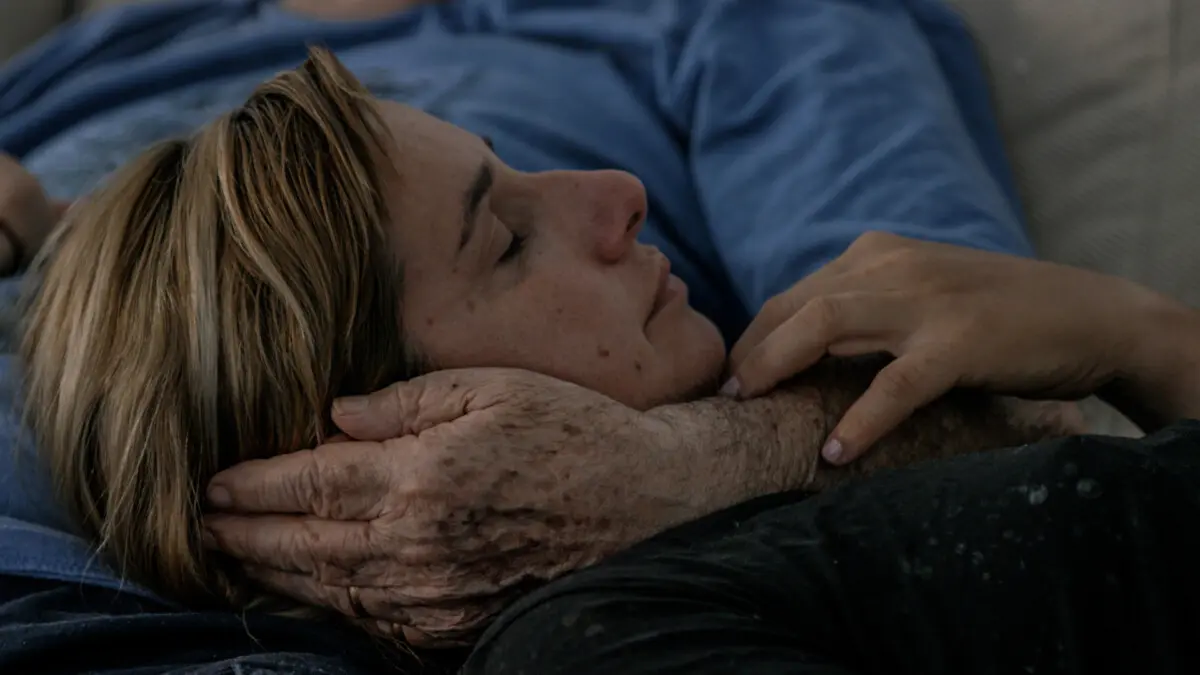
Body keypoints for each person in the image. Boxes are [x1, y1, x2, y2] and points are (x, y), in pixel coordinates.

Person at [0, 0, 1056, 672]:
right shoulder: (90, 55)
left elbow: (977, 371)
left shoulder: (728, 14)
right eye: (508, 233)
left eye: (506, 237)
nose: (619, 195)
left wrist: (666, 473)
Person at [207, 234, 1200, 675]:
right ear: (386, 457)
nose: (624, 191)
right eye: (506, 240)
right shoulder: (578, 651)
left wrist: (1149, 341)